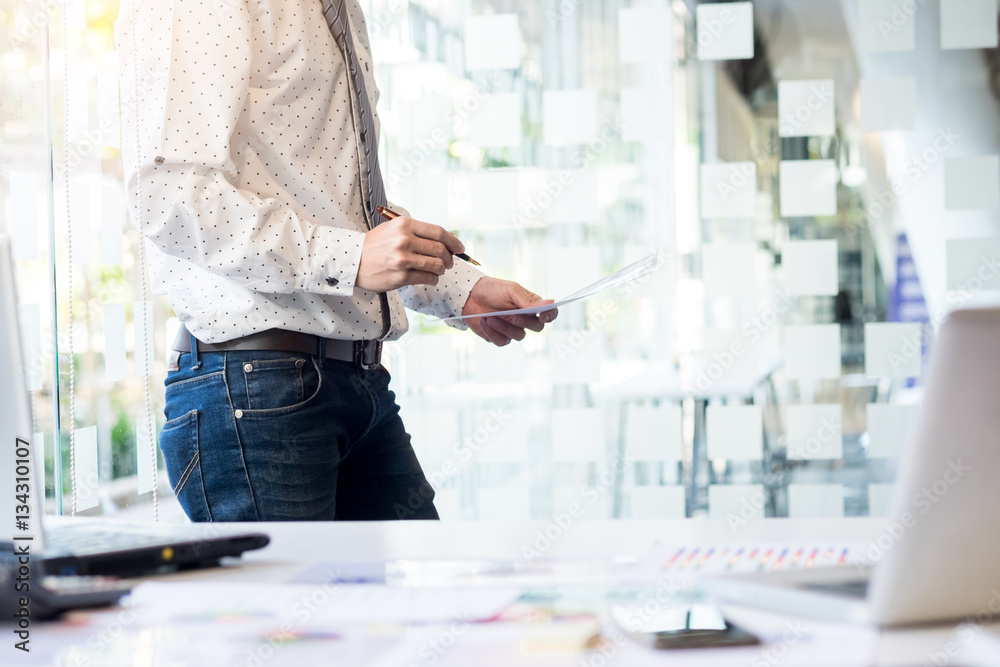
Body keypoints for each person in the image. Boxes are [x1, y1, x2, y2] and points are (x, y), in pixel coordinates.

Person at [114, 0, 557, 522]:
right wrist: (350, 257)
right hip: (257, 389)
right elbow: (167, 194)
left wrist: (458, 287)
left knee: (411, 603)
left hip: (353, 381)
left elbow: (334, 206)